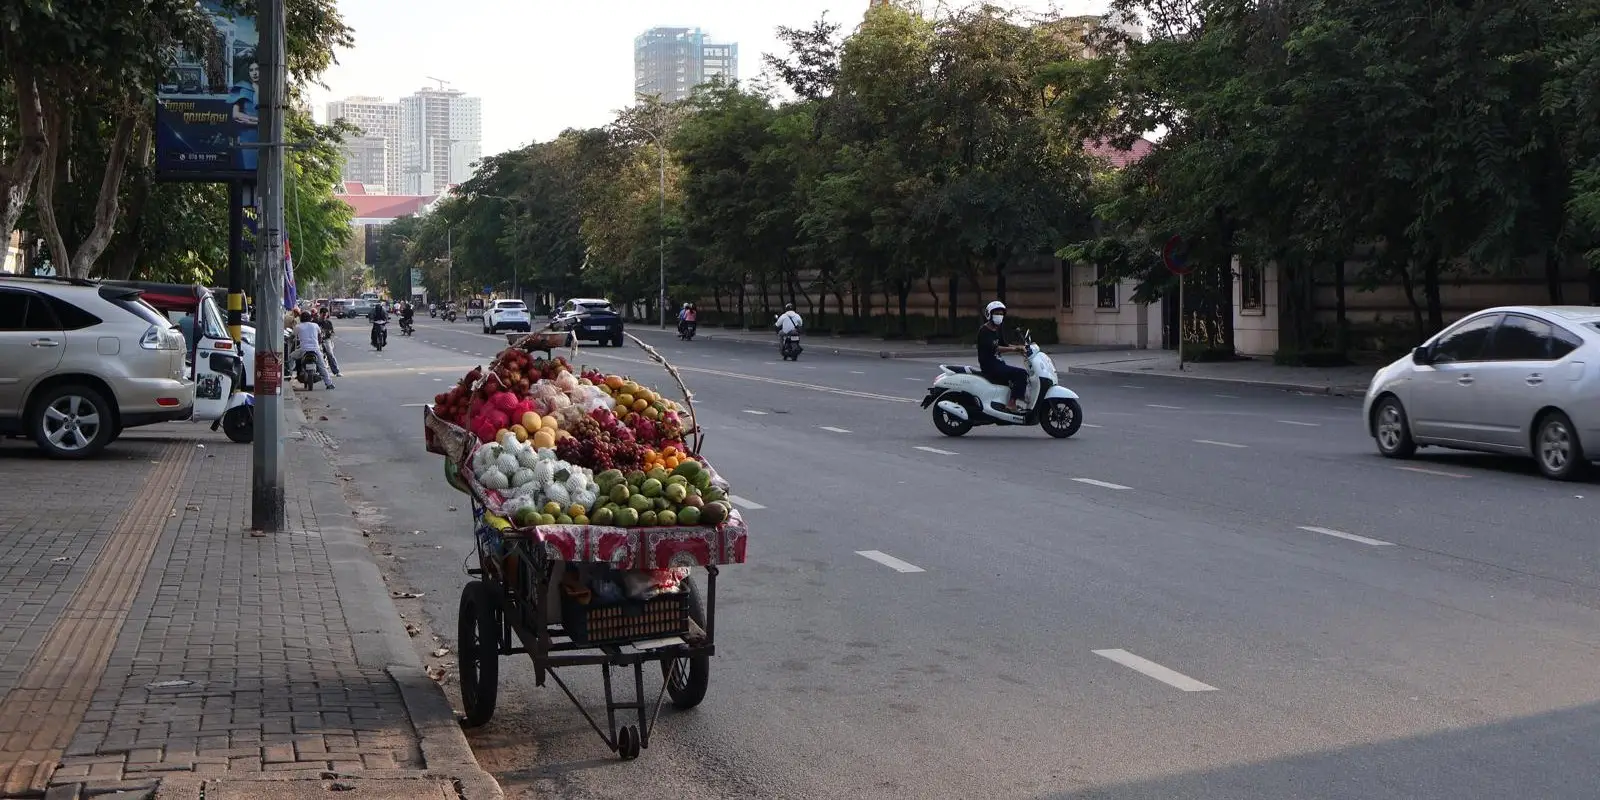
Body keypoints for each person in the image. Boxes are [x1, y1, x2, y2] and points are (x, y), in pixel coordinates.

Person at [978, 300, 1028, 411]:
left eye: (1001, 314)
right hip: (990, 365)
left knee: (1012, 379)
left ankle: (1003, 403)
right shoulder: (984, 330)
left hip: (998, 363)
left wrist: (1020, 348)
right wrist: (1015, 348)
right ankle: (1011, 404)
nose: (999, 316)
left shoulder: (997, 329)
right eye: (996, 313)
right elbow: (995, 348)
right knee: (1021, 374)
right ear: (989, 315)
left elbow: (1004, 344)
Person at [290, 313, 335, 389]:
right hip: (315, 349)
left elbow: (292, 336)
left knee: (291, 356)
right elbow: (320, 336)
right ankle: (329, 384)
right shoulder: (315, 325)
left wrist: (291, 339)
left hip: (304, 350)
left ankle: (289, 374)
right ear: (310, 318)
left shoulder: (298, 327)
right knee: (322, 366)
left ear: (301, 318)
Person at [317, 308, 341, 376]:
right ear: (320, 313)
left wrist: (330, 333)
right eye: (323, 314)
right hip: (317, 340)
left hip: (326, 340)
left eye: (325, 314)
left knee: (330, 354)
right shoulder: (316, 322)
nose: (324, 316)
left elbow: (332, 333)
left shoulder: (328, 323)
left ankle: (336, 371)